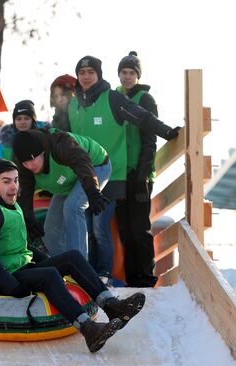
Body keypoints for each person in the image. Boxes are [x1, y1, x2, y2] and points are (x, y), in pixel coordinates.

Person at [0, 158, 146, 353]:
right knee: (50, 275)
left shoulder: (10, 204)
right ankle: (89, 329)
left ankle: (112, 306)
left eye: (16, 180)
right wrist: (13, 287)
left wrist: (46, 260)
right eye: (6, 181)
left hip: (19, 266)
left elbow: (20, 245)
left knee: (73, 257)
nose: (13, 186)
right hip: (0, 278)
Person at [68, 55, 181, 285]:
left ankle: (129, 277)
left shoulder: (117, 98)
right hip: (87, 175)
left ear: (99, 74)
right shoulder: (74, 104)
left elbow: (145, 122)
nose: (86, 76)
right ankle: (123, 277)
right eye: (82, 73)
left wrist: (168, 133)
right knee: (113, 230)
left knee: (121, 229)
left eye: (91, 72)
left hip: (117, 175)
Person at [12, 128, 111, 260]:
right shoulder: (24, 166)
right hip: (67, 180)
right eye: (25, 162)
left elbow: (82, 163)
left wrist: (93, 192)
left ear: (42, 152)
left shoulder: (60, 144)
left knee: (73, 207)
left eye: (32, 159)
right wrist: (28, 217)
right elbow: (25, 191)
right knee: (50, 233)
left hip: (94, 167)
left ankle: (80, 267)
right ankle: (65, 268)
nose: (29, 166)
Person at [115, 52, 159, 287]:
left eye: (132, 73)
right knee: (124, 228)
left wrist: (143, 172)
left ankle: (146, 277)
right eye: (124, 72)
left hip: (139, 174)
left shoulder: (145, 99)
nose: (127, 76)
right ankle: (131, 278)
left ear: (138, 75)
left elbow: (150, 139)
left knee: (139, 227)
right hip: (119, 174)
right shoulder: (114, 98)